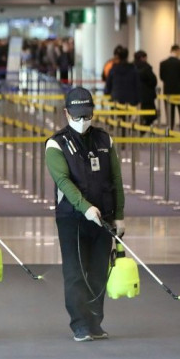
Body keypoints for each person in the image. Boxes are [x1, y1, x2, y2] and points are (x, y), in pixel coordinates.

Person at [45, 87, 125, 341]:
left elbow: (116, 179)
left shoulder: (104, 139)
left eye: (87, 116)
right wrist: (85, 206)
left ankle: (95, 320)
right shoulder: (56, 143)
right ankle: (79, 322)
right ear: (66, 113)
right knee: (75, 270)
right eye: (77, 116)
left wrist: (119, 215)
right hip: (72, 217)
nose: (82, 121)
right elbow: (63, 181)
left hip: (104, 216)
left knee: (100, 269)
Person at [159, 44, 180, 130]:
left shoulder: (163, 63)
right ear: (177, 51)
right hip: (179, 91)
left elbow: (161, 77)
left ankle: (169, 129)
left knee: (169, 112)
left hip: (168, 91)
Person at [134, 51, 158, 126]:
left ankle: (141, 129)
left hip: (136, 95)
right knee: (151, 115)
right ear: (142, 58)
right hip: (147, 95)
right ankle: (142, 131)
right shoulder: (146, 68)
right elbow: (153, 81)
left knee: (143, 114)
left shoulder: (133, 68)